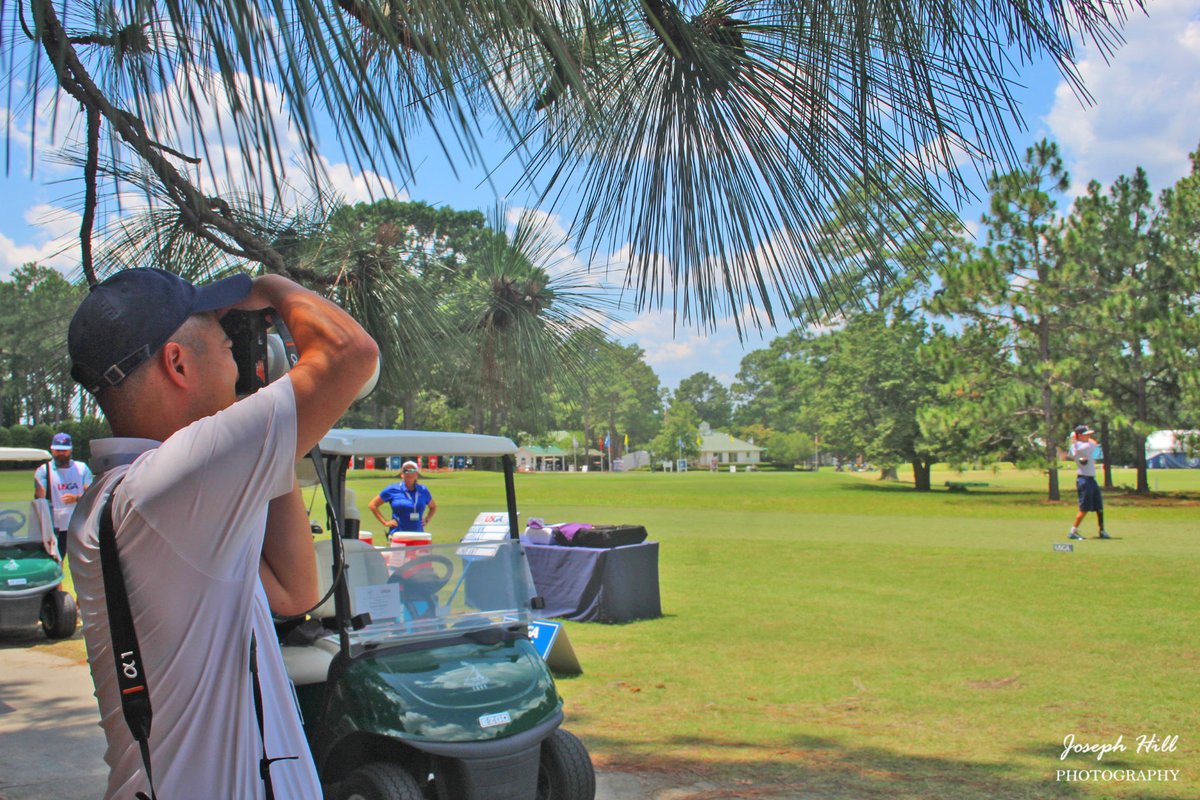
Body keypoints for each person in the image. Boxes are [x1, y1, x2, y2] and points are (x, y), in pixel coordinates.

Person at [65, 268, 378, 800]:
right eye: (223, 336)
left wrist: (267, 425)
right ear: (177, 362)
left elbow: (294, 590)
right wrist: (272, 286)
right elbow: (349, 352)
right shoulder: (168, 485)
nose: (237, 351)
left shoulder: (129, 497)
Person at [33, 432, 93, 561]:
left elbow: (92, 495)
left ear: (71, 450)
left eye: (64, 451)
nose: (61, 453)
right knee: (55, 560)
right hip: (55, 526)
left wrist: (76, 498)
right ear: (52, 449)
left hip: (78, 524)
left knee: (82, 561)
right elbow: (40, 497)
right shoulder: (44, 470)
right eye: (58, 450)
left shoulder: (81, 468)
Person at [369, 460, 437, 533]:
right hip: (398, 534)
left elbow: (433, 507)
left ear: (416, 474)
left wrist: (427, 519)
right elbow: (373, 505)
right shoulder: (393, 489)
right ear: (402, 474)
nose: (409, 473)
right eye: (406, 470)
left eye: (412, 470)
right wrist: (385, 522)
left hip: (418, 534)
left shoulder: (423, 490)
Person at [1068, 424, 1111, 540]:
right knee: (1084, 509)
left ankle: (1102, 530)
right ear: (1080, 436)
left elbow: (1076, 445)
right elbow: (1094, 442)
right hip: (1084, 480)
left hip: (1090, 480)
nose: (1089, 436)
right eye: (1086, 434)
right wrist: (1076, 437)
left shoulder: (1077, 445)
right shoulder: (1084, 447)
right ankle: (1073, 531)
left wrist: (1075, 438)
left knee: (1099, 507)